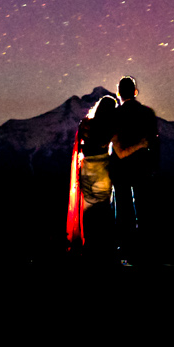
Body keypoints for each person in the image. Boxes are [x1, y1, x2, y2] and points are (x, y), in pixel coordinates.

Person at [107, 76, 159, 263]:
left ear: (119, 93)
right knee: (144, 208)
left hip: (119, 168)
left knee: (122, 209)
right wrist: (153, 166)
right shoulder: (147, 113)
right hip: (142, 167)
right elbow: (154, 142)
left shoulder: (115, 115)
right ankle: (145, 250)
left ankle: (125, 250)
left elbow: (113, 143)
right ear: (135, 92)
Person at [66, 94, 119, 253]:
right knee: (103, 207)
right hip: (103, 168)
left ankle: (88, 243)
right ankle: (104, 244)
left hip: (86, 169)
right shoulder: (111, 127)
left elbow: (80, 147)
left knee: (88, 208)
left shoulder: (86, 125)